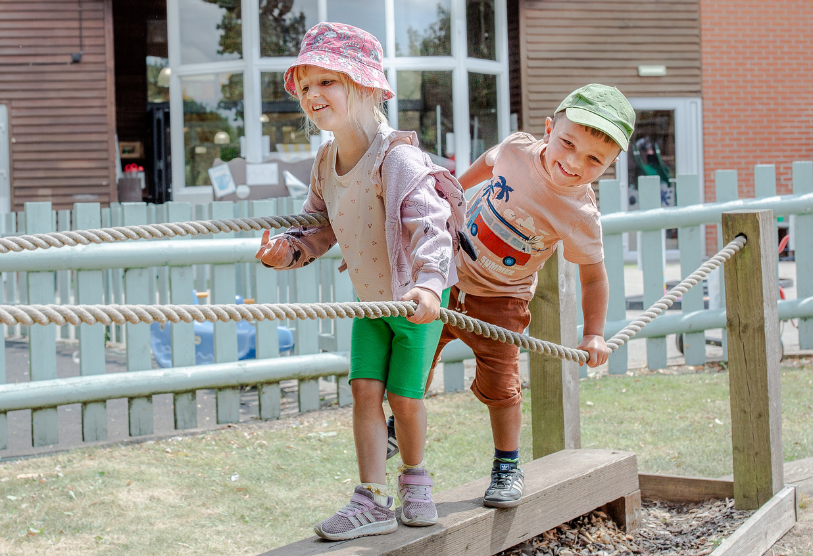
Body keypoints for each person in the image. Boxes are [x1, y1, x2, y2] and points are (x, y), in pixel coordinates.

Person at [254, 22, 466, 541]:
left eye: (327, 81)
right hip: (371, 305)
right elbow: (318, 227)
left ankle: (415, 479)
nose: (313, 94)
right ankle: (371, 498)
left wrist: (429, 284)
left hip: (414, 300)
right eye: (306, 86)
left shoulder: (397, 158)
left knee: (405, 398)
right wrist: (288, 251)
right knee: (364, 392)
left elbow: (432, 226)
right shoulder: (326, 161)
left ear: (366, 86)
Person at [386, 83, 635, 508]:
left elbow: (594, 277)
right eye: (568, 144)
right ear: (549, 129)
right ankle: (397, 425)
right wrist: (448, 196)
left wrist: (594, 333)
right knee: (415, 357)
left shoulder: (580, 214)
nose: (574, 163)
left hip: (501, 300)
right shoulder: (518, 149)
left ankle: (507, 465)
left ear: (610, 165)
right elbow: (488, 161)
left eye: (594, 159)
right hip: (444, 278)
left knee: (502, 388)